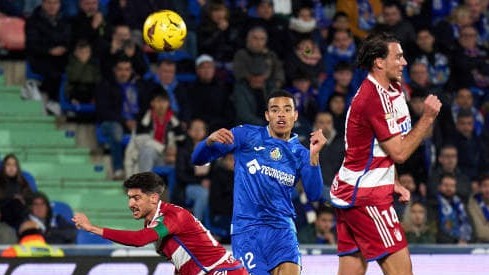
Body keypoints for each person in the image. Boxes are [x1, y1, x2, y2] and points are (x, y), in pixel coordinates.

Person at [329, 32, 442, 275]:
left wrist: (394, 180)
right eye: (398, 57)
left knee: (353, 269)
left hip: (355, 192)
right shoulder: (372, 98)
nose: (404, 62)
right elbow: (399, 152)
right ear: (379, 62)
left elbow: (385, 147)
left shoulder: (395, 89)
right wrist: (428, 118)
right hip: (365, 198)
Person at [192, 90, 327, 274]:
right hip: (247, 230)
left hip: (282, 229)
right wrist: (208, 142)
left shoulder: (301, 153)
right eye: (275, 109)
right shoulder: (245, 135)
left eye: (287, 109)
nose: (281, 114)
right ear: (267, 115)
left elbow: (314, 194)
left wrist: (314, 156)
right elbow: (197, 159)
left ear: (295, 115)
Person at [72, 172, 247, 275]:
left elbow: (138, 240)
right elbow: (184, 262)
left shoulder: (173, 216)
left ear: (154, 198)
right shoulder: (153, 223)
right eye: (129, 198)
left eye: (136, 198)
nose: (130, 204)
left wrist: (92, 228)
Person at [467, 174, 489, 243]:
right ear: (479, 188)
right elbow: (480, 232)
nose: (488, 189)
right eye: (485, 186)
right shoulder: (471, 204)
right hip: (480, 244)